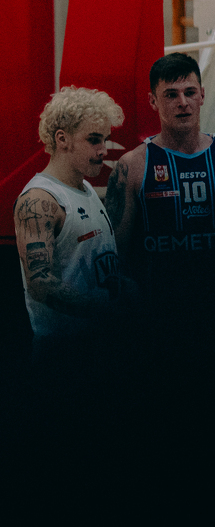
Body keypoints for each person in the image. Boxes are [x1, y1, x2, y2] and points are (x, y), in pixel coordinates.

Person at [12, 87, 129, 354]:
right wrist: (103, 309)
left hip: (99, 345)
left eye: (105, 140)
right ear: (62, 138)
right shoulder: (39, 200)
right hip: (62, 353)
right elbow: (40, 283)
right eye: (94, 140)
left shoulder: (86, 188)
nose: (103, 150)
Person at [103, 52, 215, 330]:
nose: (183, 102)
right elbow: (115, 254)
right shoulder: (133, 166)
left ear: (202, 95)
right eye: (171, 95)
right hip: (157, 317)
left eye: (190, 92)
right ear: (152, 100)